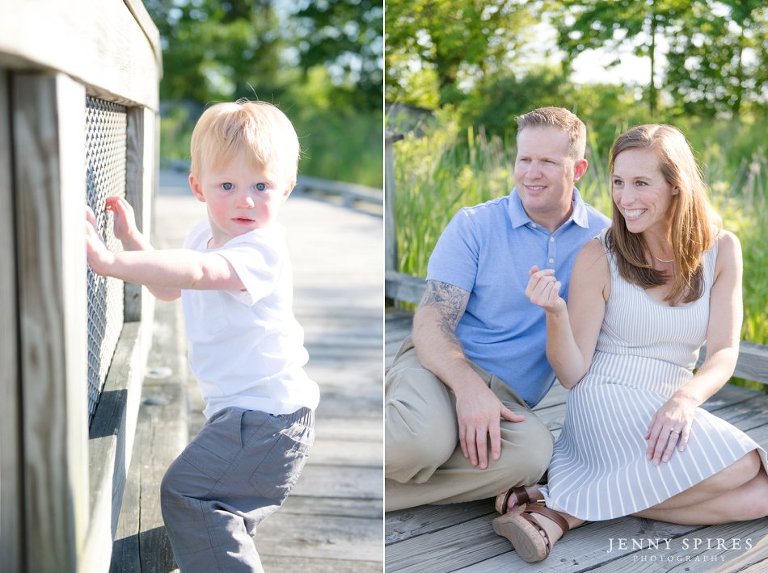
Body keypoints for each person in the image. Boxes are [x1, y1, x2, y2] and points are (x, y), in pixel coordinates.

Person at [493, 124, 768, 563]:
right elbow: (572, 373)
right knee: (743, 466)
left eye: (641, 183)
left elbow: (723, 353)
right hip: (606, 398)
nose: (624, 198)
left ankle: (561, 501)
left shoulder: (722, 250)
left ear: (677, 186)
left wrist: (684, 400)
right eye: (618, 182)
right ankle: (566, 503)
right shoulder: (598, 255)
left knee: (761, 497)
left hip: (667, 403)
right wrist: (556, 315)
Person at [86, 100, 319, 572]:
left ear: (287, 189)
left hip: (267, 420)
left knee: (188, 493)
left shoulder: (261, 249)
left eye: (262, 186)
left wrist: (109, 264)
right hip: (245, 417)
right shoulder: (201, 236)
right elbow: (171, 287)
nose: (245, 200)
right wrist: (135, 246)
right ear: (198, 187)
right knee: (214, 509)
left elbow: (200, 273)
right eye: (227, 185)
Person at [385, 107, 610, 511]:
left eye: (546, 162)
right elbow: (432, 321)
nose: (531, 173)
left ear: (577, 170)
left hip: (510, 397)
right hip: (439, 366)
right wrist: (469, 391)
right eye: (524, 159)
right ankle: (402, 433)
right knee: (423, 442)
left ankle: (384, 491)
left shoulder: (603, 240)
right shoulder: (474, 225)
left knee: (532, 456)